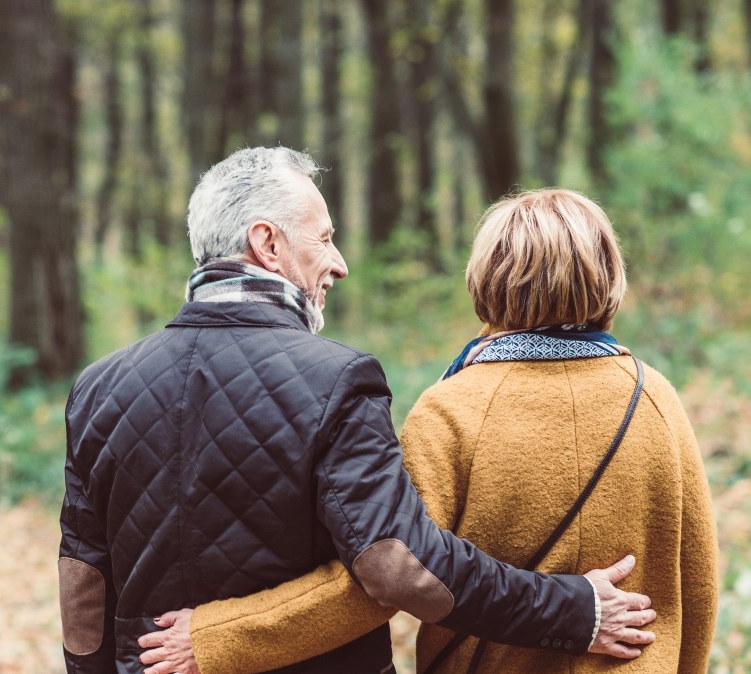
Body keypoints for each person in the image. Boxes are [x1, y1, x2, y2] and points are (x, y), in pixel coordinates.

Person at [60, 150, 656, 674]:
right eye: (323, 238)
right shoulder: (336, 378)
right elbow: (400, 567)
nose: (339, 263)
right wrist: (572, 610)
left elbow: (83, 585)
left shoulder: (96, 387)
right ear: (268, 244)